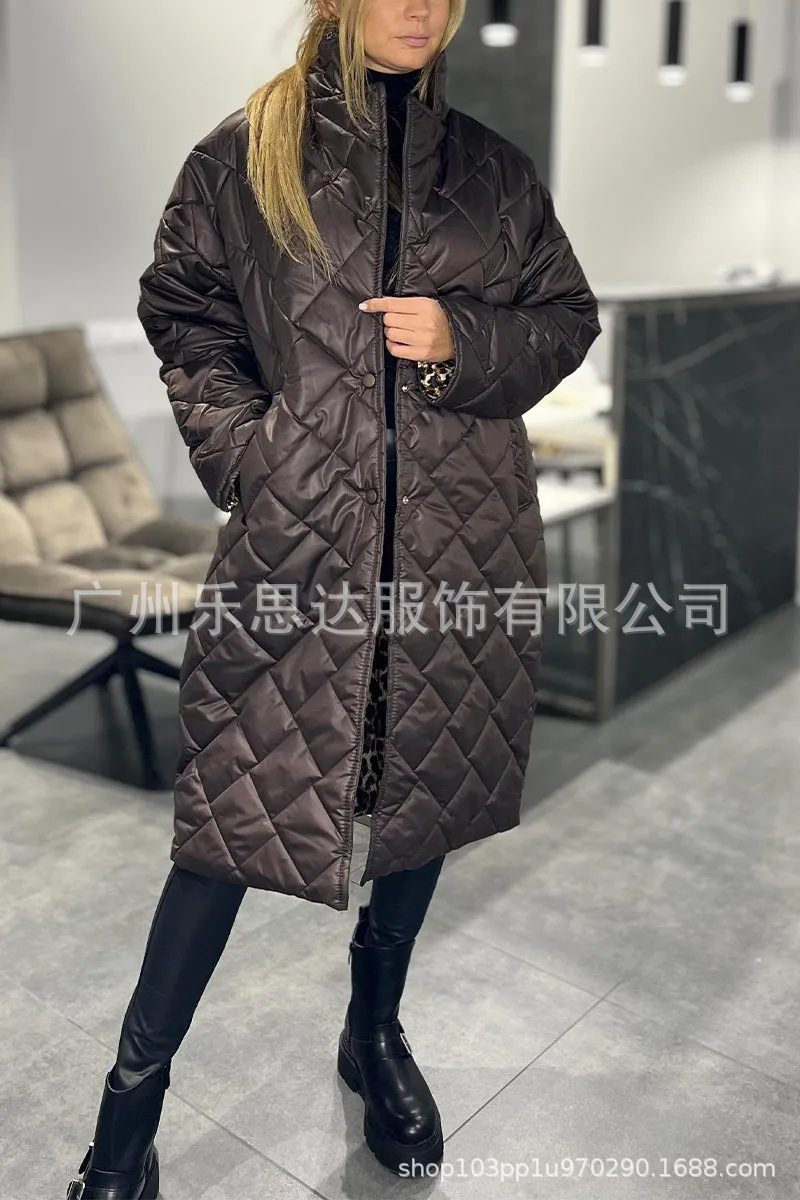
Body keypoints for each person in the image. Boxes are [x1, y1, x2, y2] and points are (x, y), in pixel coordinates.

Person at [66, 0, 600, 1194]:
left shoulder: (496, 172)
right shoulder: (243, 155)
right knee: (226, 819)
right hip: (295, 550)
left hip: (463, 547)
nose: (420, 7)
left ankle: (374, 1031)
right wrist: (253, 461)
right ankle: (128, 1110)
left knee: (425, 793)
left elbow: (566, 320)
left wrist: (460, 338)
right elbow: (186, 315)